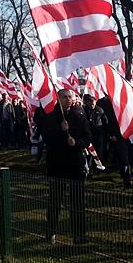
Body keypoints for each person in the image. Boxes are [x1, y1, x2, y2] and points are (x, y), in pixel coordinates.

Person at [40, 89, 92, 245]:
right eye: (65, 97)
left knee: (77, 202)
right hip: (57, 164)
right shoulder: (50, 115)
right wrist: (60, 131)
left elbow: (88, 137)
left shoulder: (79, 114)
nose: (68, 99)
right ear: (58, 98)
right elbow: (47, 139)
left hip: (75, 164)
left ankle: (79, 234)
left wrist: (76, 143)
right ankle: (51, 232)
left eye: (70, 97)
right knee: (55, 201)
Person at [82, 94, 107, 171]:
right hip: (88, 134)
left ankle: (98, 166)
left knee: (98, 151)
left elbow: (105, 121)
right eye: (90, 102)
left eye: (93, 102)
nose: (92, 104)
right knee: (89, 151)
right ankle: (88, 167)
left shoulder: (100, 110)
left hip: (98, 134)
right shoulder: (84, 110)